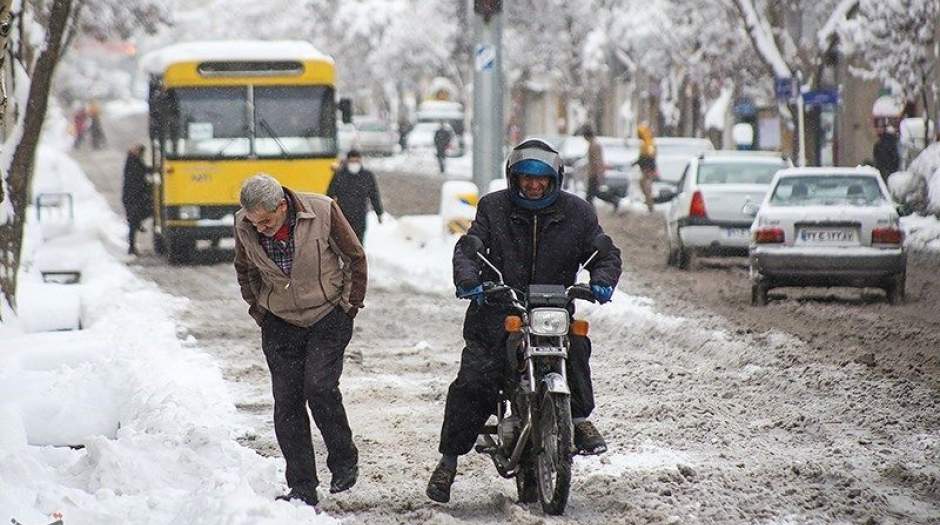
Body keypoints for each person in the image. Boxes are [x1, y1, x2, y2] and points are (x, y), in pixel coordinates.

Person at [425, 138, 622, 503]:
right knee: (476, 380)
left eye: (541, 178)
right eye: (526, 178)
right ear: (513, 178)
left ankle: (578, 420)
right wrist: (470, 280)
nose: (533, 185)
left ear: (555, 179)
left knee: (576, 345)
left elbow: (603, 251)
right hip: (498, 313)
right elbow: (471, 247)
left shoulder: (577, 213)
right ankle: (448, 462)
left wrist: (602, 280)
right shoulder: (493, 208)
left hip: (553, 310)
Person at [233, 174, 367, 507]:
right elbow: (244, 268)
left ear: (282, 206)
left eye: (266, 221)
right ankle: (303, 485)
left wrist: (348, 306)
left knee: (319, 387)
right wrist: (259, 309)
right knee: (287, 403)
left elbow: (354, 257)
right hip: (279, 321)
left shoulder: (322, 211)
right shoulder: (244, 224)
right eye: (254, 222)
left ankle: (343, 460)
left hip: (327, 315)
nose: (261, 228)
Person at [326, 149, 385, 243]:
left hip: (360, 216)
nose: (354, 164)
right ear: (347, 161)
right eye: (352, 161)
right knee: (344, 243)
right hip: (343, 216)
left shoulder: (367, 176)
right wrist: (328, 212)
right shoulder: (339, 175)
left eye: (356, 161)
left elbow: (374, 195)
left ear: (360, 161)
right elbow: (329, 195)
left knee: (358, 243)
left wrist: (379, 213)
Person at [121, 144, 152, 255]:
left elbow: (144, 171)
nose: (142, 155)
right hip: (132, 198)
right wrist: (148, 187)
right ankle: (131, 247)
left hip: (133, 197)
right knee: (133, 223)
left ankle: (132, 245)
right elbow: (139, 177)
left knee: (134, 222)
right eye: (141, 152)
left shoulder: (133, 161)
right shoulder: (133, 162)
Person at [582, 125, 620, 211]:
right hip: (594, 173)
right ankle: (614, 201)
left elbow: (597, 161)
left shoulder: (594, 145)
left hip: (594, 174)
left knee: (590, 196)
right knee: (595, 194)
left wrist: (599, 175)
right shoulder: (593, 144)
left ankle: (591, 214)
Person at [634, 124, 658, 213]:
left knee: (647, 187)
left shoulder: (648, 144)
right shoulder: (647, 143)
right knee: (644, 185)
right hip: (647, 169)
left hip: (647, 170)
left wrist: (646, 167)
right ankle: (649, 203)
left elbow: (649, 158)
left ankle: (650, 204)